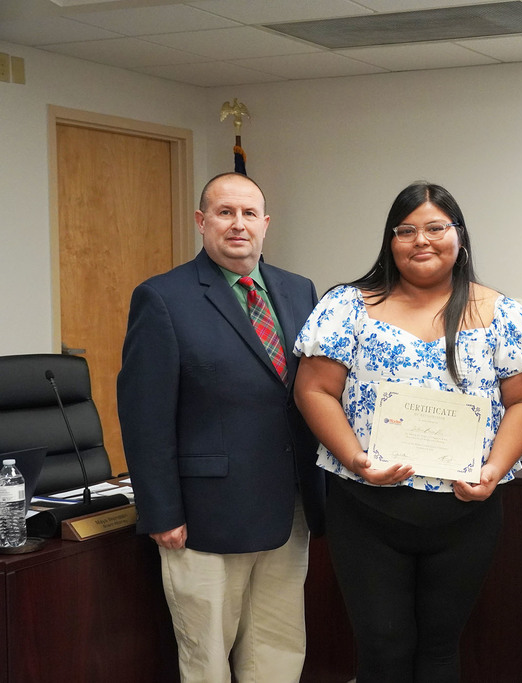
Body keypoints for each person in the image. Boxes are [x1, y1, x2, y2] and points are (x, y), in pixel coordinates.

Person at [292, 181, 522, 681]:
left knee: (439, 653)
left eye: (436, 227)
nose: (421, 240)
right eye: (406, 230)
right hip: (366, 508)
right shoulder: (347, 306)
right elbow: (314, 392)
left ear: (460, 236)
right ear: (390, 241)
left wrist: (493, 470)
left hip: (464, 512)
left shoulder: (500, 312)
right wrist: (357, 459)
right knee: (381, 653)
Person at [117, 172, 326, 682]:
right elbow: (144, 415)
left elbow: (313, 391)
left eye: (249, 214)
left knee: (279, 647)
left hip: (288, 509)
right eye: (225, 213)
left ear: (266, 223)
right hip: (206, 514)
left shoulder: (300, 291)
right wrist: (160, 509)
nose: (238, 225)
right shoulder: (163, 298)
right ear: (201, 221)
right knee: (207, 654)